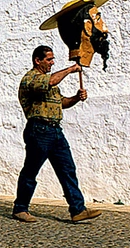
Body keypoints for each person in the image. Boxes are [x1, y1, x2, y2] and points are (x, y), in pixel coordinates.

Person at [12, 45, 102, 223]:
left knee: (67, 169)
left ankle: (77, 209)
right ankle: (20, 208)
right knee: (31, 171)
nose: (52, 63)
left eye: (53, 59)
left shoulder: (48, 81)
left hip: (55, 131)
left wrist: (76, 97)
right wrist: (70, 69)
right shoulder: (30, 79)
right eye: (49, 59)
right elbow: (51, 82)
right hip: (39, 130)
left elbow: (62, 103)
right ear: (38, 60)